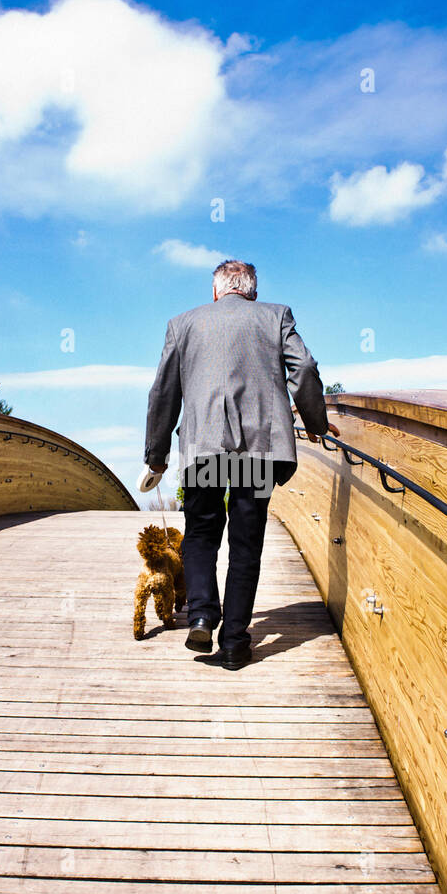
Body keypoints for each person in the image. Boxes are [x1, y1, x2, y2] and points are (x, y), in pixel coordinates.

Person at [143, 259, 339, 670]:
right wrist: (315, 421)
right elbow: (303, 368)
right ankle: (234, 644)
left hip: (204, 449)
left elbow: (163, 392)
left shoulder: (183, 323)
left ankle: (201, 614)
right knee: (245, 546)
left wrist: (156, 455)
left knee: (200, 536)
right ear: (252, 290)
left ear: (216, 291)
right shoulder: (275, 316)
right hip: (257, 451)